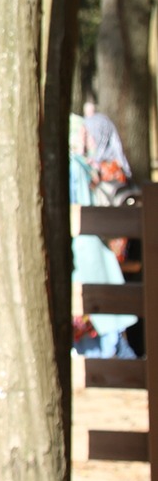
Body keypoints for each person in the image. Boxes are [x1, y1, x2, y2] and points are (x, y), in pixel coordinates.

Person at [70, 115, 138, 358]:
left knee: (110, 317)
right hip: (114, 255)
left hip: (107, 253)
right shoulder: (113, 167)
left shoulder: (101, 169)